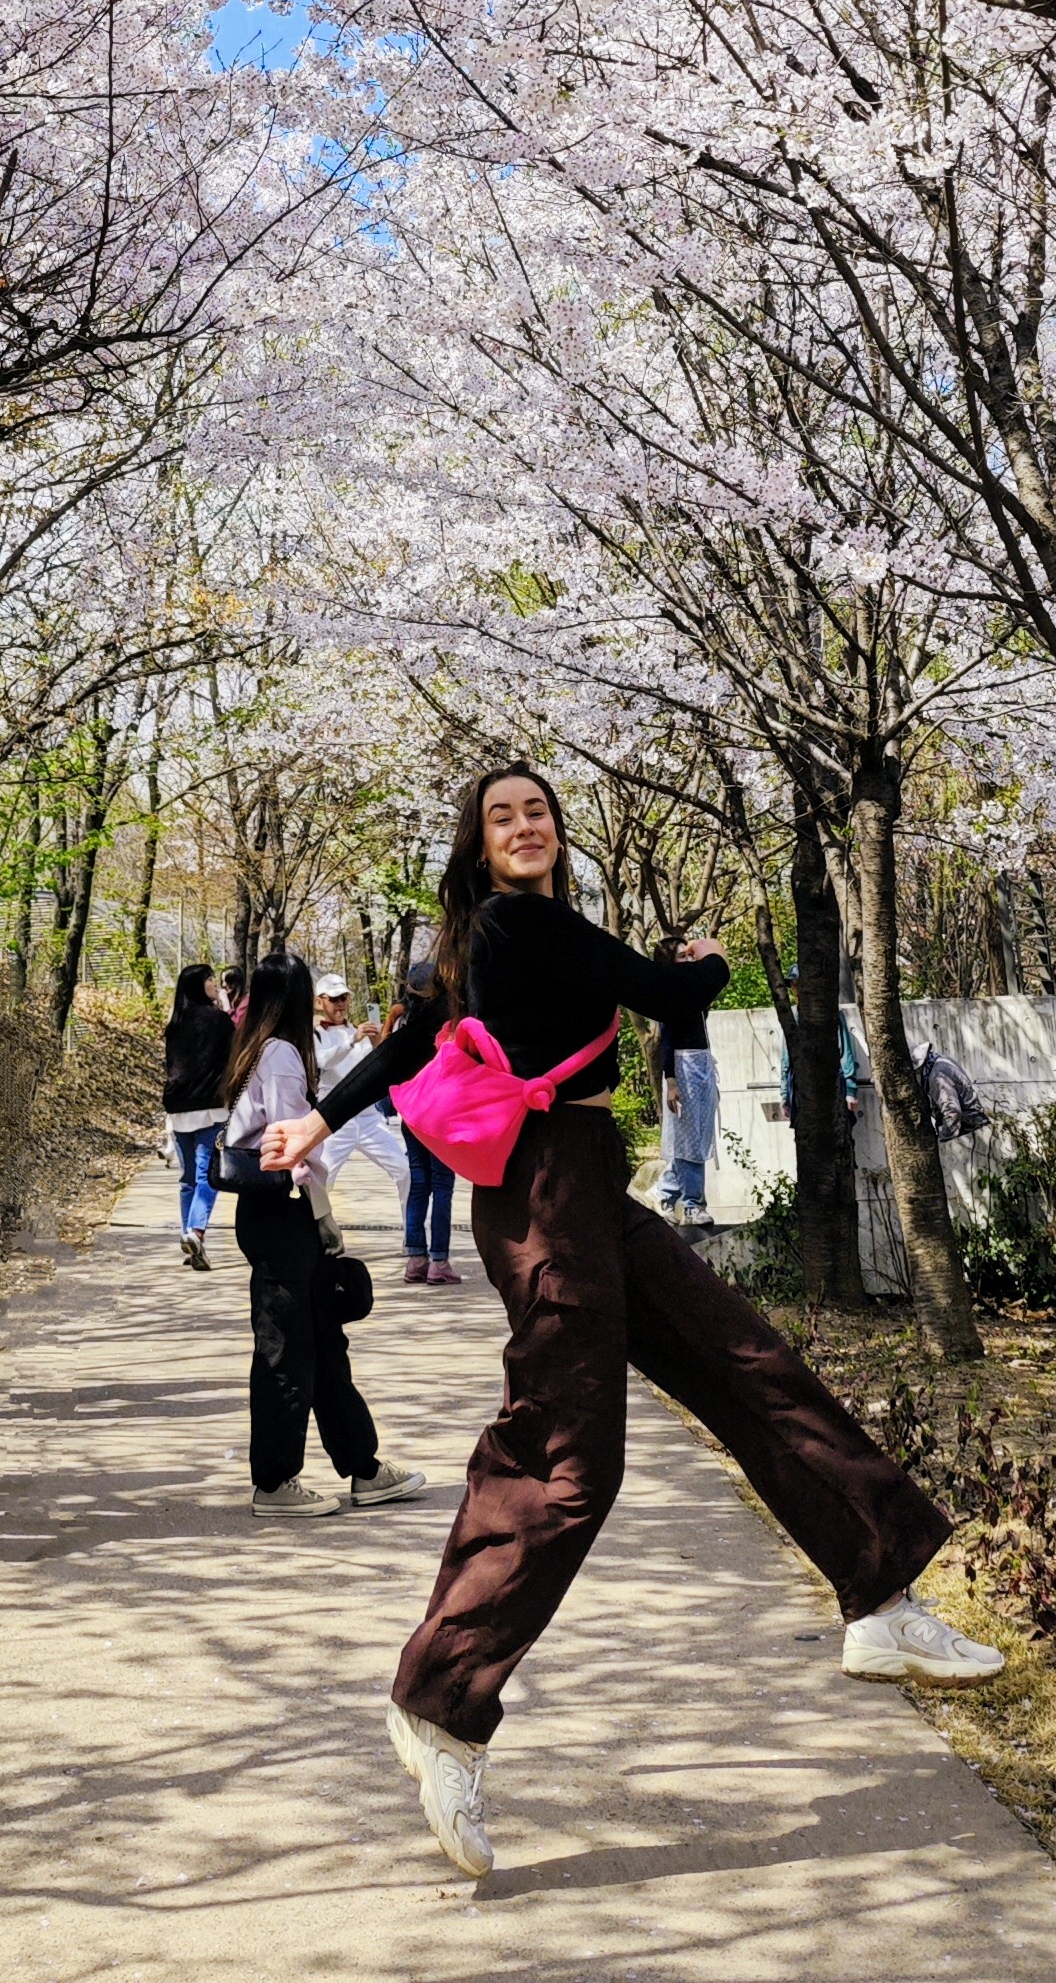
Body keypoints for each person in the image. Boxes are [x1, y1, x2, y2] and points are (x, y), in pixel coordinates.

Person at [265, 761, 1000, 1878]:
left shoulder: (482, 940)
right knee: (566, 1464)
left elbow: (407, 1043)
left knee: (747, 1361)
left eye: (539, 811)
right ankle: (440, 1700)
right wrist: (697, 960)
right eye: (502, 814)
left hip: (585, 1186)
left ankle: (880, 1590)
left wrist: (318, 1119)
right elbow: (675, 1002)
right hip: (549, 1198)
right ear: (476, 841)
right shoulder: (517, 922)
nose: (525, 825)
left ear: (558, 829)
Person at [220, 950, 423, 1521]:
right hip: (284, 1212)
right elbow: (294, 1146)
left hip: (276, 1214)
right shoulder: (282, 1053)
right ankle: (275, 1480)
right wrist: (322, 1212)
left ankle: (364, 1467)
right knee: (288, 1348)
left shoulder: (254, 1047)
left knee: (325, 1346)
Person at [312, 971, 410, 1238]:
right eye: (334, 999)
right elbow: (323, 1062)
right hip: (335, 1120)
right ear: (320, 1001)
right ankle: (314, 1236)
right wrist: (353, 1039)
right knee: (321, 1181)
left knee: (405, 1171)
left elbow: (379, 1069)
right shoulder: (315, 1034)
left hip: (368, 1119)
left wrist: (379, 1044)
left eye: (344, 997)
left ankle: (412, 1238)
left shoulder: (360, 1031)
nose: (341, 1004)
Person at [385, 958, 460, 1284]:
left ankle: (415, 1259)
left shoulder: (404, 1024)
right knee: (442, 1187)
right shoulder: (449, 1024)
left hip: (412, 1114)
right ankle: (439, 1263)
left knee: (419, 1186)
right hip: (442, 1115)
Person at [161, 960, 233, 1269]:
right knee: (208, 1176)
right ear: (198, 986)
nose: (216, 985)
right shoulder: (218, 1021)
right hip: (211, 1108)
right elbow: (236, 1055)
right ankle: (196, 1232)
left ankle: (190, 1236)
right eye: (210, 981)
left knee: (188, 1179)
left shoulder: (175, 1024)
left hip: (179, 1110)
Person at [651, 1028, 719, 1217]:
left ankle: (666, 1190)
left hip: (703, 1062)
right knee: (689, 1140)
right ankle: (692, 1203)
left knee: (700, 1138)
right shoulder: (676, 1002)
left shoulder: (700, 1006)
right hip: (683, 1065)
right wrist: (671, 1081)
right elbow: (667, 1038)